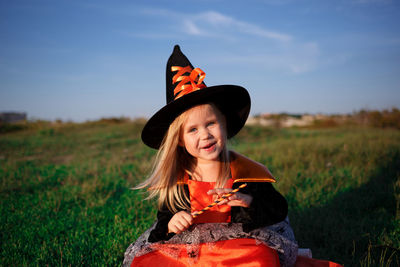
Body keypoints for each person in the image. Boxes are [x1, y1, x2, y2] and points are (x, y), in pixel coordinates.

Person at [123, 45, 343, 267]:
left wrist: (247, 201)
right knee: (148, 262)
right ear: (179, 139)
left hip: (237, 246)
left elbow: (276, 208)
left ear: (224, 124)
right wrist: (171, 223)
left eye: (211, 124)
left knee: (260, 259)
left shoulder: (247, 172)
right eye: (193, 130)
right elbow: (164, 217)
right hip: (188, 250)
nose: (205, 135)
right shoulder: (179, 178)